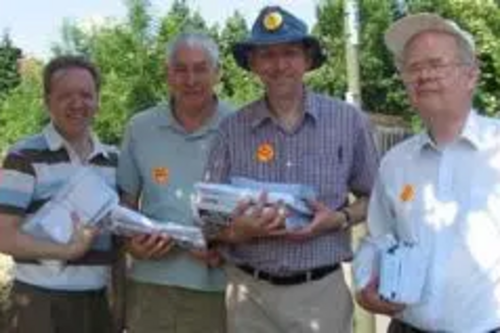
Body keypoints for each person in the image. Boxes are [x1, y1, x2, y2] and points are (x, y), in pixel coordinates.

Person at [203, 6, 379, 333]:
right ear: (253, 64)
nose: (279, 65)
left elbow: (376, 197)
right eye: (267, 55)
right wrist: (238, 231)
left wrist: (338, 219)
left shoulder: (348, 121)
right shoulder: (231, 129)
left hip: (321, 296)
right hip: (248, 297)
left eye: (290, 52)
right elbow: (208, 218)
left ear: (308, 60)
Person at [356, 13, 500, 332]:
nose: (424, 76)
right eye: (413, 68)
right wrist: (365, 286)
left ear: (471, 75)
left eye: (436, 64)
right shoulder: (395, 163)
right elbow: (377, 239)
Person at [117, 32, 231, 333]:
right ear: (168, 74)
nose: (190, 79)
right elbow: (124, 205)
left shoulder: (240, 125)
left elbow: (256, 205)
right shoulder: (140, 127)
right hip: (151, 287)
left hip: (220, 287)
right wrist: (132, 245)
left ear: (217, 73)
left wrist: (230, 248)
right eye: (180, 69)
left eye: (200, 68)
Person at [0, 55, 118, 333]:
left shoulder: (114, 159)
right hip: (39, 301)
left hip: (97, 300)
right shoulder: (24, 156)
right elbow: (3, 235)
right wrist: (68, 250)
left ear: (98, 100)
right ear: (47, 100)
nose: (78, 104)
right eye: (65, 95)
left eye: (86, 95)